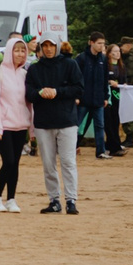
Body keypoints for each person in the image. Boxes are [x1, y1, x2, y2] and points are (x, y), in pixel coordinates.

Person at [25, 36, 83, 215]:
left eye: (52, 45)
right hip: (43, 123)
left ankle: (71, 200)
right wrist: (41, 92)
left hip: (67, 121)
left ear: (57, 46)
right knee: (48, 164)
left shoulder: (70, 65)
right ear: (40, 48)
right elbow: (29, 93)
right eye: (45, 45)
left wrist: (57, 92)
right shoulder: (34, 69)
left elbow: (79, 88)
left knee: (68, 162)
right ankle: (54, 200)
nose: (48, 49)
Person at [0, 38, 30, 210]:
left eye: (23, 50)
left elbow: (28, 103)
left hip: (20, 125)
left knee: (16, 162)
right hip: (3, 126)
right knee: (8, 162)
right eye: (16, 50)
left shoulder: (24, 74)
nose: (20, 54)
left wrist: (31, 128)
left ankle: (11, 199)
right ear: (10, 52)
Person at [82, 32, 115, 160]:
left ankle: (100, 151)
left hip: (98, 100)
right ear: (91, 43)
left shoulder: (103, 59)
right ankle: (69, 148)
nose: (102, 46)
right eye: (99, 43)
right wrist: (78, 96)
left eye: (103, 43)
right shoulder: (82, 58)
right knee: (76, 125)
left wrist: (106, 97)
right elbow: (77, 79)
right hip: (84, 99)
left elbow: (105, 79)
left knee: (100, 125)